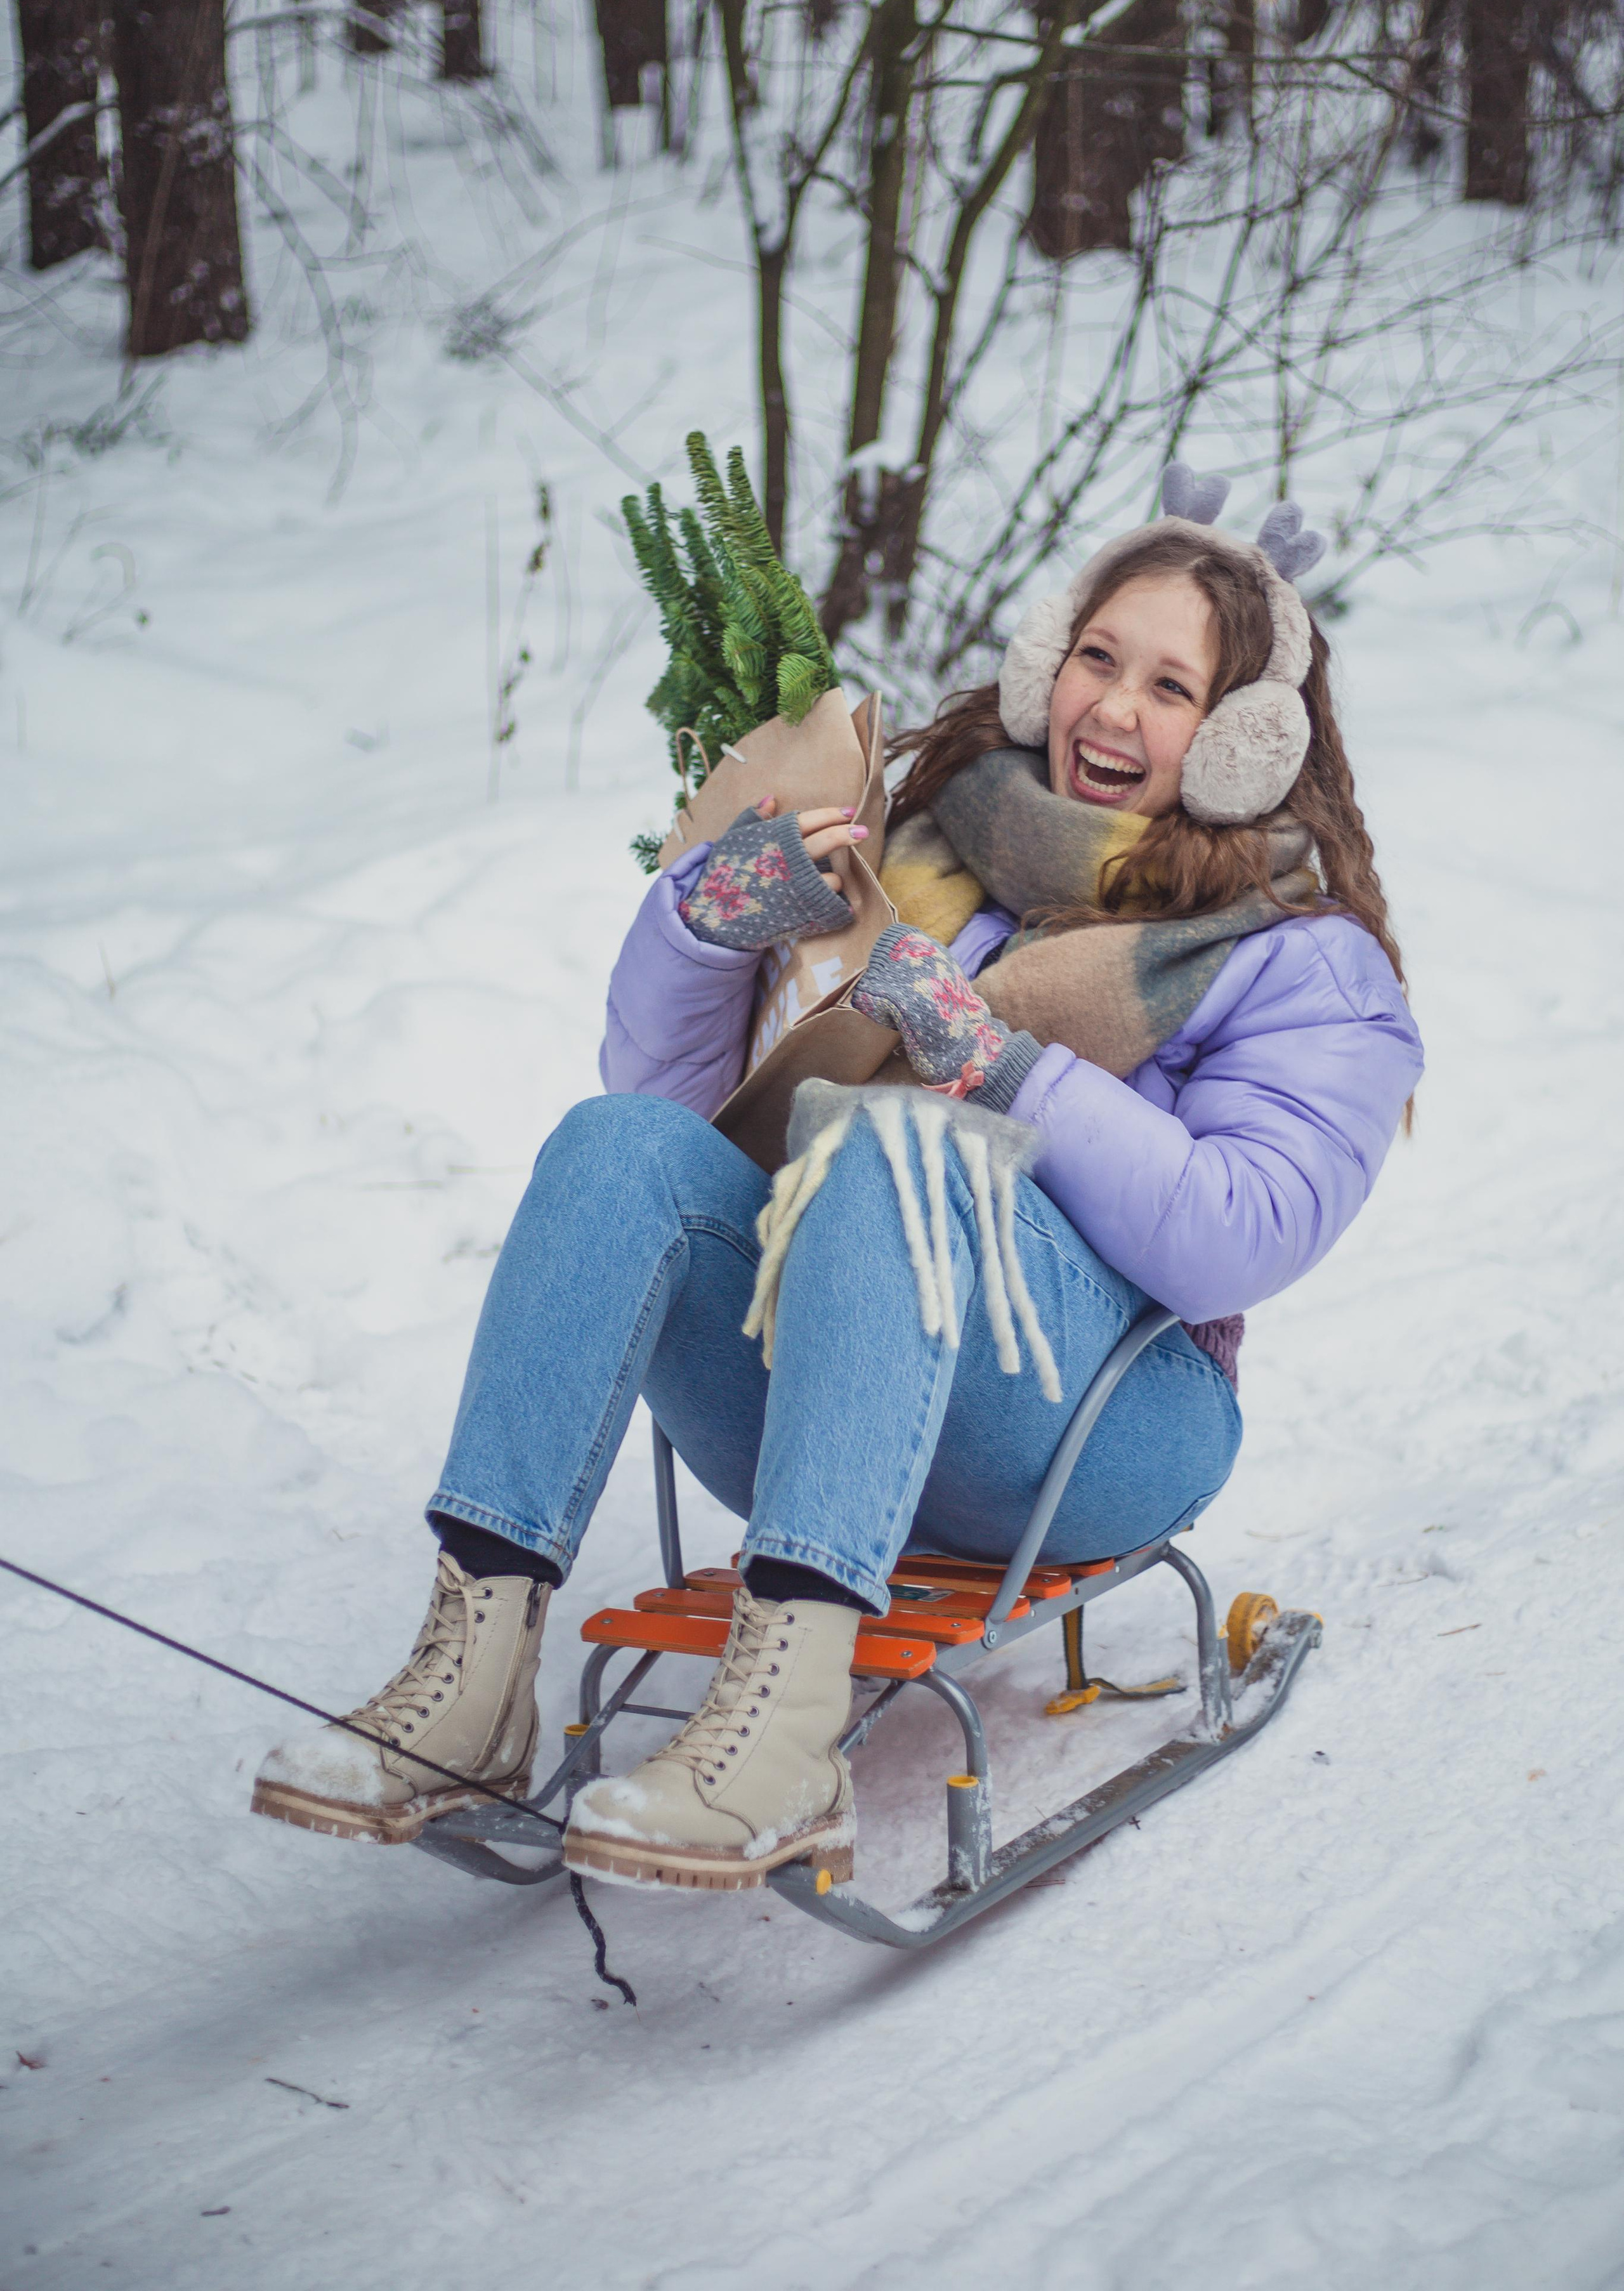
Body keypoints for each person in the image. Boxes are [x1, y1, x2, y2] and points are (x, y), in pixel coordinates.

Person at [251, 467, 1422, 1893]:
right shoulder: (928, 848)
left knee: (894, 1138)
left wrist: (996, 1064)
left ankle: (781, 1739)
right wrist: (703, 924)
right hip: (814, 1388)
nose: (1111, 709)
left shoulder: (1296, 957)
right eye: (1096, 659)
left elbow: (1237, 1236)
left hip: (1090, 1429)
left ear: (1244, 740)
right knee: (614, 1150)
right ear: (1045, 663)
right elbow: (688, 1128)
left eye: (1169, 689)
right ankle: (470, 1683)